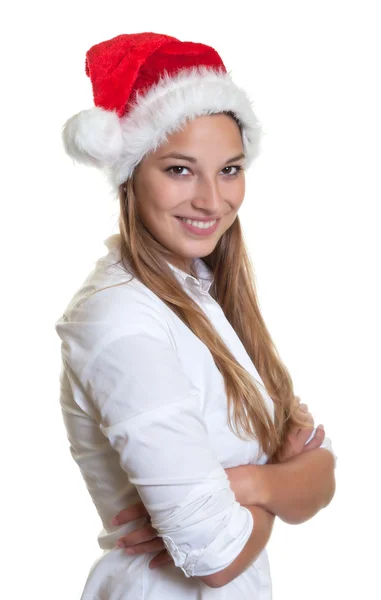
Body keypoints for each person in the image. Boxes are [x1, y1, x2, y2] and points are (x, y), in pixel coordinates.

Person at [55, 32, 337, 599]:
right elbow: (216, 555)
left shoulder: (204, 291)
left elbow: (320, 477)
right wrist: (278, 481)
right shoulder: (120, 321)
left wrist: (249, 483)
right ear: (131, 174)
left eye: (229, 169)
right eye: (181, 170)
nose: (213, 200)